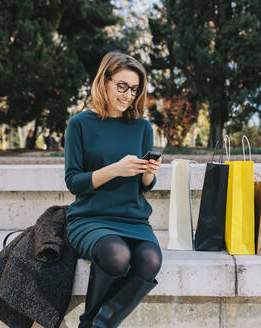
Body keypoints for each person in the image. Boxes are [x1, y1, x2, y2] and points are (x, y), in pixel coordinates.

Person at [64, 52, 163, 328]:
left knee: (150, 259)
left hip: (132, 218)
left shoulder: (142, 127)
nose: (128, 95)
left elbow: (145, 188)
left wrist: (148, 175)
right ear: (104, 81)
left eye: (134, 89)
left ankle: (94, 325)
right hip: (90, 217)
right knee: (117, 255)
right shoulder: (79, 124)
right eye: (122, 86)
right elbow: (73, 182)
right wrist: (115, 169)